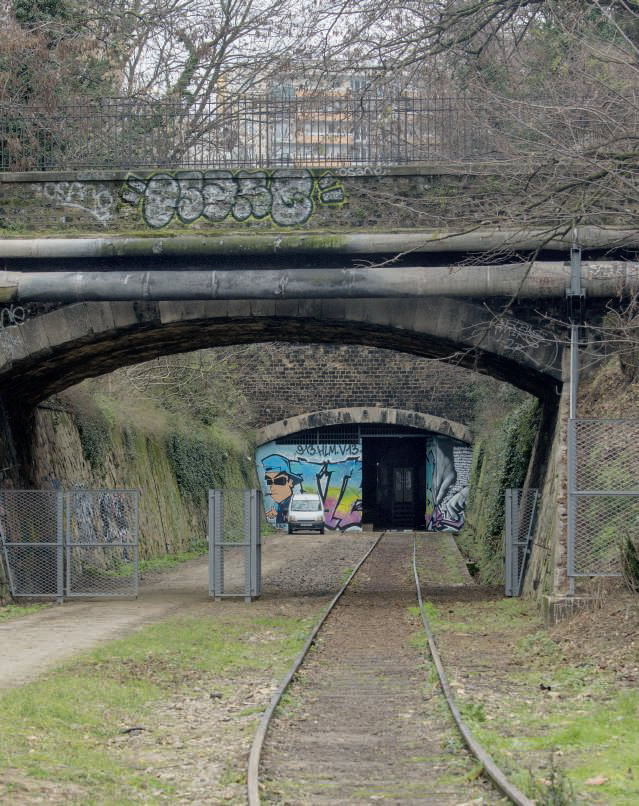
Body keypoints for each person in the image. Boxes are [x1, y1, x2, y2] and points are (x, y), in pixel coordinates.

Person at [261, 454, 304, 526]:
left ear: (290, 482)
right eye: (269, 481)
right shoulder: (279, 505)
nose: (273, 487)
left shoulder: (294, 504)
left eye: (279, 481)